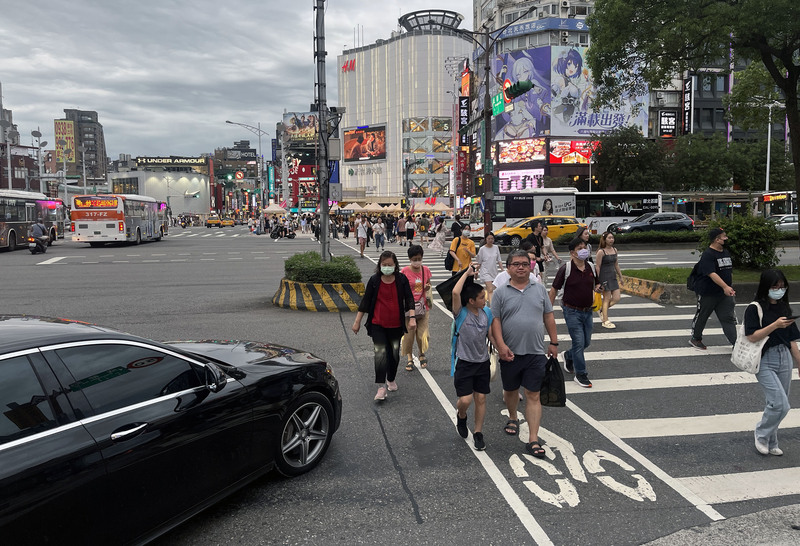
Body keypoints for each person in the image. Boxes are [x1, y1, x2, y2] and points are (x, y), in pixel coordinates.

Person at [491, 249, 558, 458]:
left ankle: (533, 438)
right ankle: (513, 416)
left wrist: (554, 342)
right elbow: (495, 321)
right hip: (510, 352)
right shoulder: (500, 293)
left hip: (536, 352)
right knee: (510, 390)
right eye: (516, 264)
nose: (521, 267)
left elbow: (548, 316)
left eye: (524, 264)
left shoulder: (539, 290)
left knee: (533, 394)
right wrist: (501, 346)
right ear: (508, 268)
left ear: (530, 267)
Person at [746, 269, 800, 456]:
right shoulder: (754, 308)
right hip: (765, 359)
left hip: (784, 357)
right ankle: (761, 433)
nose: (779, 290)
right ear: (765, 287)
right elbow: (752, 337)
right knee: (781, 404)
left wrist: (799, 362)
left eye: (782, 287)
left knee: (775, 403)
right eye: (775, 287)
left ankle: (772, 439)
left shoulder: (784, 308)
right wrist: (774, 325)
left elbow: (792, 339)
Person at [352, 251, 416, 401]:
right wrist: (357, 322)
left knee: (393, 354)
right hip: (377, 324)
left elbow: (409, 299)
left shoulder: (401, 280)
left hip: (396, 324)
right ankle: (381, 387)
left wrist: (412, 318)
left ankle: (391, 379)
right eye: (384, 265)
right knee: (380, 353)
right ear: (380, 265)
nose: (387, 267)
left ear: (395, 265)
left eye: (390, 265)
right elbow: (366, 301)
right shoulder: (375, 280)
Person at [451, 264, 496, 451]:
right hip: (464, 363)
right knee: (465, 400)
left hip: (482, 363)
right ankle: (461, 416)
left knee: (481, 399)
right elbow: (455, 292)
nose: (485, 300)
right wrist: (466, 273)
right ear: (471, 300)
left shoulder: (487, 313)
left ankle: (478, 433)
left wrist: (501, 349)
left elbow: (490, 335)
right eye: (481, 298)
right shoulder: (460, 313)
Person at [549, 237, 600, 388]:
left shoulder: (590, 266)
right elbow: (553, 290)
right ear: (572, 253)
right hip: (571, 310)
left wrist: (598, 288)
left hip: (588, 311)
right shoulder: (566, 269)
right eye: (579, 248)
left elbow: (596, 284)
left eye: (584, 247)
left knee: (586, 342)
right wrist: (548, 311)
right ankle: (581, 374)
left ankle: (568, 355)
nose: (583, 250)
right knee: (578, 342)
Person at [690, 227, 737, 350]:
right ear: (717, 239)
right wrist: (725, 286)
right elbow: (711, 273)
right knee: (703, 315)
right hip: (708, 292)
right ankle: (696, 338)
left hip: (724, 293)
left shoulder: (725, 252)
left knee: (728, 318)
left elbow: (728, 271)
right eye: (724, 237)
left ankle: (736, 343)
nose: (726, 239)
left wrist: (729, 287)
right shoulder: (708, 255)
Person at [401, 244, 432, 371]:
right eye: (414, 259)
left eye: (419, 258)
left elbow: (429, 283)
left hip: (423, 306)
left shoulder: (425, 270)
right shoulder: (404, 272)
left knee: (423, 334)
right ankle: (409, 358)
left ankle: (421, 353)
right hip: (409, 308)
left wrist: (427, 287)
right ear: (410, 259)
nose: (417, 261)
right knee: (409, 335)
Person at [595, 232, 622, 329]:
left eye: (612, 238)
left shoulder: (615, 250)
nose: (611, 240)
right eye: (609, 238)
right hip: (604, 277)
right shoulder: (601, 252)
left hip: (613, 276)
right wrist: (597, 281)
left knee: (616, 298)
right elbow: (597, 267)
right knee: (606, 298)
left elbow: (616, 264)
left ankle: (602, 310)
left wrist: (621, 276)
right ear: (605, 239)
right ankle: (605, 320)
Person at [476, 233, 504, 304]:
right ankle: (492, 308)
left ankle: (484, 303)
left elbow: (499, 260)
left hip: (494, 271)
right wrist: (476, 272)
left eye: (492, 239)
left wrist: (503, 270)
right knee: (490, 289)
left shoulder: (496, 247)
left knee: (491, 289)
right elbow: (479, 262)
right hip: (485, 271)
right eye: (489, 239)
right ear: (485, 239)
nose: (491, 240)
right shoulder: (482, 249)